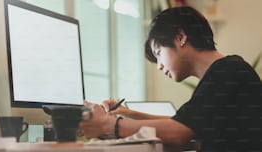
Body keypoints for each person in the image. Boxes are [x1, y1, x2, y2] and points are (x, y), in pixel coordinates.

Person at [80, 6, 262, 151]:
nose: (159, 65)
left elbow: (178, 132)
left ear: (180, 37)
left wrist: (108, 124)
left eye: (159, 53)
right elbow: (185, 122)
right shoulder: (225, 70)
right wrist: (129, 114)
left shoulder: (227, 72)